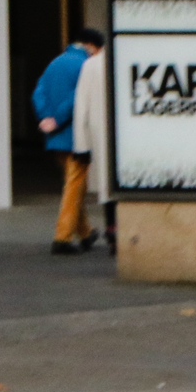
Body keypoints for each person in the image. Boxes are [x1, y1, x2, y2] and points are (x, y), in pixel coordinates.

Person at [33, 28, 103, 254]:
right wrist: (58, 119)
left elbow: (39, 92)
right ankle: (62, 237)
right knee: (74, 185)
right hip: (76, 135)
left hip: (55, 137)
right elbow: (78, 98)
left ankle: (85, 232)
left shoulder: (55, 62)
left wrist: (46, 117)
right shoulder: (86, 66)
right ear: (92, 46)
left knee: (74, 184)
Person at [69, 37, 112, 254]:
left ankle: (112, 230)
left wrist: (81, 145)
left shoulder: (91, 65)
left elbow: (81, 107)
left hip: (100, 132)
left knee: (108, 184)